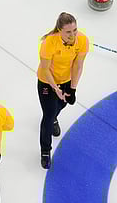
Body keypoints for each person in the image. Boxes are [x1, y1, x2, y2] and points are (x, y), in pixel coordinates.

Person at [37, 12, 89, 169]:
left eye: (74, 30)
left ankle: (54, 118)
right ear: (59, 30)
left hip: (66, 79)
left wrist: (72, 88)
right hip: (47, 81)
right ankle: (45, 150)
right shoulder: (49, 43)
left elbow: (78, 65)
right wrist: (56, 88)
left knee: (62, 104)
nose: (72, 35)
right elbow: (45, 69)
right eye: (68, 32)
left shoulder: (82, 40)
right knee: (48, 114)